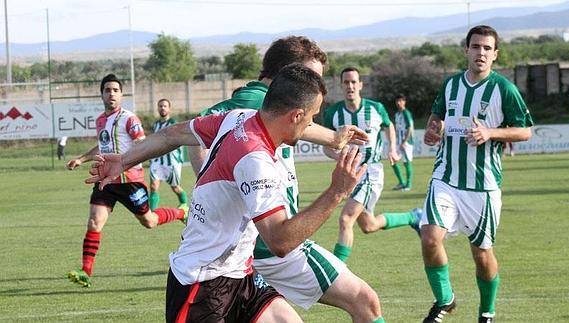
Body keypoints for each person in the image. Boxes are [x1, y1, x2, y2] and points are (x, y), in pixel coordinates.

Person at [87, 64, 383, 322]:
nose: (310, 126)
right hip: (201, 287)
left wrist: (124, 160)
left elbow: (172, 134)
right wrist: (336, 192)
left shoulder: (238, 118)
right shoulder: (255, 160)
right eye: (311, 118)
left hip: (241, 277)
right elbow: (280, 240)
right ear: (296, 115)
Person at [191, 36, 385, 322]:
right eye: (311, 76)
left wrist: (333, 139)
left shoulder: (271, 105)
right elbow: (195, 136)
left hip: (257, 249)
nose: (316, 88)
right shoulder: (257, 99)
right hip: (274, 247)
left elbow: (303, 127)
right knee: (365, 301)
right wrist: (216, 191)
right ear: (287, 73)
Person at [420, 25, 533, 323]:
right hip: (446, 177)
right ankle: (445, 300)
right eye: (476, 47)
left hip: (482, 186)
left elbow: (525, 131)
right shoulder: (450, 85)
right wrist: (433, 131)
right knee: (430, 237)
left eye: (487, 48)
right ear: (466, 50)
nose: (480, 52)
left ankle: (487, 312)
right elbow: (437, 117)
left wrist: (490, 132)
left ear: (495, 55)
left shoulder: (504, 89)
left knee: (482, 255)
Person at [65, 74, 187, 288]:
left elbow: (142, 143)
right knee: (94, 221)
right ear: (101, 94)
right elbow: (102, 147)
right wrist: (81, 159)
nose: (111, 93)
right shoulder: (101, 120)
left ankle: (181, 212)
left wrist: (131, 159)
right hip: (106, 181)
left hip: (130, 180)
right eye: (107, 90)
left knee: (149, 221)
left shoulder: (129, 119)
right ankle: (86, 271)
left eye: (115, 90)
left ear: (121, 94)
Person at [323, 67, 423, 263]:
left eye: (354, 82)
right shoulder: (333, 113)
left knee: (345, 220)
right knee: (369, 225)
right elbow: (326, 147)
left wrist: (392, 148)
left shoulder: (375, 108)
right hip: (349, 175)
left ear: (360, 85)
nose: (350, 86)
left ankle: (334, 275)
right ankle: (413, 217)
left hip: (370, 172)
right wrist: (339, 156)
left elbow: (389, 126)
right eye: (346, 82)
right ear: (341, 85)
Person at [149, 98, 188, 210]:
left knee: (175, 188)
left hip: (172, 161)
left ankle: (185, 207)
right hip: (157, 160)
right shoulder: (155, 125)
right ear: (158, 108)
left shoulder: (174, 124)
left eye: (165, 106)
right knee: (153, 186)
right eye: (160, 106)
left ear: (169, 109)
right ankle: (152, 212)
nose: (162, 108)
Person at [391, 94, 415, 191]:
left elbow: (410, 128)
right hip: (398, 141)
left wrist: (404, 141)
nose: (398, 103)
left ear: (404, 102)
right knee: (393, 160)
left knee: (406, 162)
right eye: (397, 101)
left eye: (400, 101)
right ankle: (401, 182)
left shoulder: (406, 113)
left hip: (406, 142)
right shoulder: (397, 114)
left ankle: (408, 184)